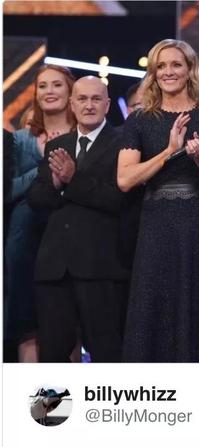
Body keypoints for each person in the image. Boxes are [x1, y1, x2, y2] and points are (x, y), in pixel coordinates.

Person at [118, 39, 199, 362]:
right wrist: (170, 152)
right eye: (161, 66)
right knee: (156, 305)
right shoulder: (139, 120)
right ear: (153, 73)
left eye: (175, 65)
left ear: (189, 69)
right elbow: (125, 179)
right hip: (157, 225)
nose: (168, 72)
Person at [27, 76, 128, 362]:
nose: (89, 105)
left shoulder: (124, 144)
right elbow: (36, 198)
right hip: (55, 268)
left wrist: (73, 179)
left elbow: (119, 199)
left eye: (96, 99)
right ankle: (54, 397)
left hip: (101, 266)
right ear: (72, 104)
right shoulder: (57, 146)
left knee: (107, 354)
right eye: (82, 99)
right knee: (52, 356)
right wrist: (56, 184)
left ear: (107, 104)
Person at [5, 65, 76, 362]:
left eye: (56, 84)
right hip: (25, 239)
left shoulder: (85, 135)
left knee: (71, 321)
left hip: (70, 234)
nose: (49, 91)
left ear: (70, 91)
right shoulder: (18, 140)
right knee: (27, 321)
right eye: (43, 86)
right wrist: (45, 169)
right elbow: (7, 190)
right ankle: (29, 391)